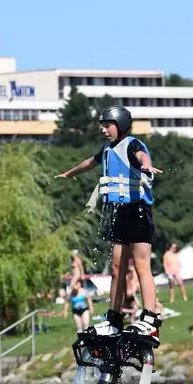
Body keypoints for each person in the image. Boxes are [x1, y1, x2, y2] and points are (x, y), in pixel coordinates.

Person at [56, 105, 164, 346]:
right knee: (116, 267)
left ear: (121, 125)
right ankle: (114, 320)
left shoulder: (132, 145)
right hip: (119, 213)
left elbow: (141, 157)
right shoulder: (107, 149)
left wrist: (145, 165)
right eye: (102, 126)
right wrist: (70, 173)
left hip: (138, 212)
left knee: (141, 266)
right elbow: (90, 162)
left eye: (108, 125)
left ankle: (150, 319)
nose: (104, 129)